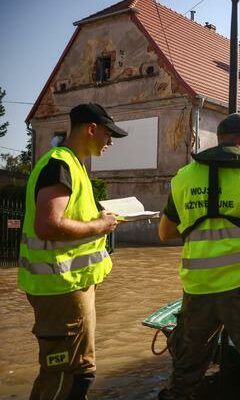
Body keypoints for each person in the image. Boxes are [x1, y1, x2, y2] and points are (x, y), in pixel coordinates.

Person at [157, 113, 240, 400]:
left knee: (184, 375)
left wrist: (201, 221)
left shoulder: (183, 177)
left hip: (197, 289)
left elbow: (165, 233)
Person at [18, 103, 127, 399]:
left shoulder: (73, 165)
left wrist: (102, 218)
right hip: (59, 288)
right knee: (62, 375)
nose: (110, 142)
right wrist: (99, 227)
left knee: (80, 371)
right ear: (92, 129)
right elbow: (48, 225)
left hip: (70, 286)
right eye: (108, 134)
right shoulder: (60, 164)